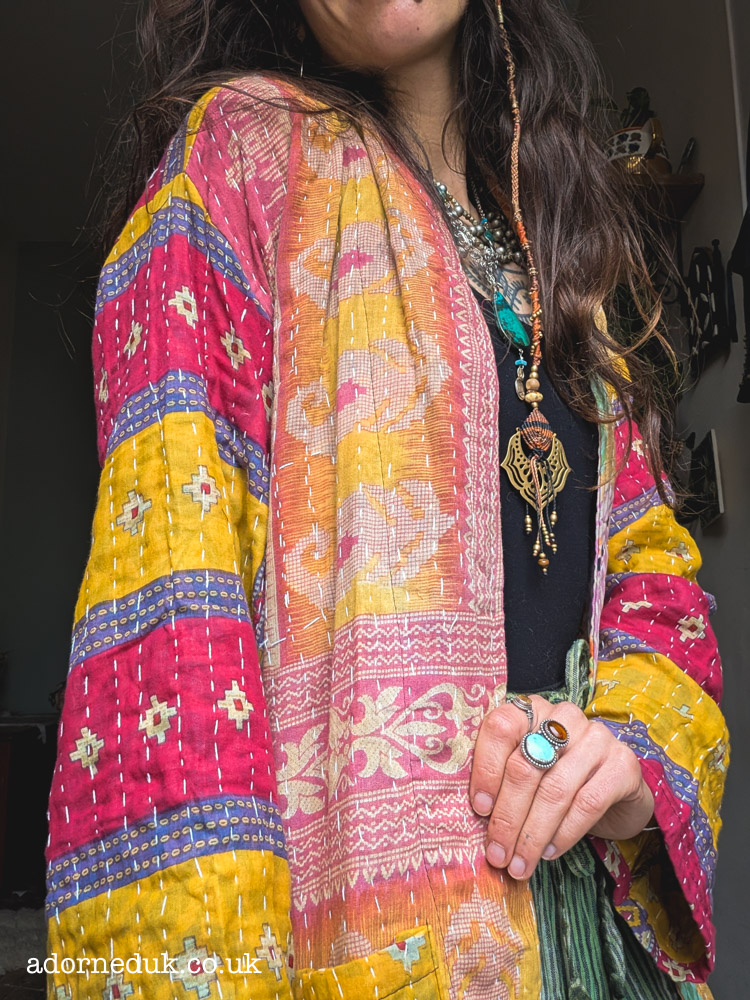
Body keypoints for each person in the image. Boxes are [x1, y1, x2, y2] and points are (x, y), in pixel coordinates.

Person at [44, 1, 729, 997]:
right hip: (376, 947)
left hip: (600, 947)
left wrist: (624, 756)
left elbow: (655, 577)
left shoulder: (559, 244)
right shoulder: (239, 162)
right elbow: (174, 633)